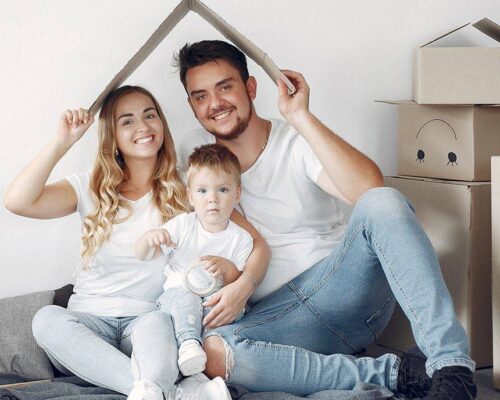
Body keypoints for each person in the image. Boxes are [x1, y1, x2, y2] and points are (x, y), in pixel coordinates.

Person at [173, 40, 478, 400]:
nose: (215, 103)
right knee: (212, 352)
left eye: (225, 87)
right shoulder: (195, 152)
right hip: (278, 318)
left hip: (340, 290)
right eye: (201, 96)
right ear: (192, 106)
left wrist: (300, 116)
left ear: (250, 88)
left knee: (382, 202)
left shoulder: (294, 141)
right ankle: (399, 374)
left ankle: (451, 368)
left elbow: (369, 189)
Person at [3, 85, 269, 400]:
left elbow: (257, 246)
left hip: (148, 322)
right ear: (112, 135)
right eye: (127, 121)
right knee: (46, 320)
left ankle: (151, 390)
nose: (142, 126)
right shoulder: (91, 185)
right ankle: (170, 392)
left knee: (159, 323)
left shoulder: (188, 187)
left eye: (150, 115)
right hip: (88, 325)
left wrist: (244, 284)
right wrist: (63, 140)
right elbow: (18, 201)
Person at [135, 143, 253, 377]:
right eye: (202, 191)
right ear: (190, 195)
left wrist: (228, 269)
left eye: (223, 190)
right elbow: (140, 254)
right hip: (177, 295)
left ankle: (206, 349)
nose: (212, 199)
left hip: (210, 301)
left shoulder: (241, 238)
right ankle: (189, 344)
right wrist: (149, 238)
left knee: (228, 308)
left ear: (237, 194)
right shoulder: (184, 224)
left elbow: (238, 284)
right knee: (187, 299)